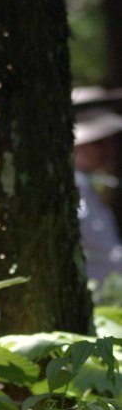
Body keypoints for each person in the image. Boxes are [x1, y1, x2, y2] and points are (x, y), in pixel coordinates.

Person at [73, 95, 122, 284]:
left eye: (108, 142)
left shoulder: (88, 183)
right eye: (97, 144)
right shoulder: (74, 188)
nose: (107, 150)